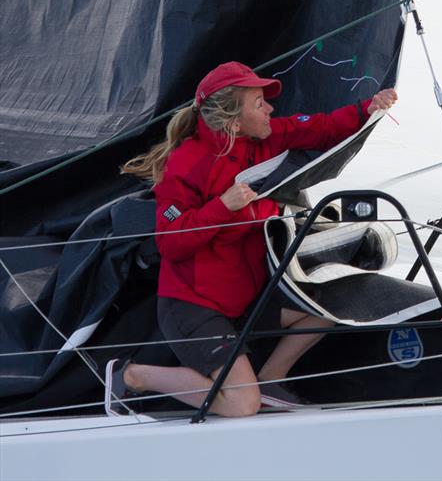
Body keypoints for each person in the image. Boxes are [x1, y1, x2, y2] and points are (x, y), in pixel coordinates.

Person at [109, 61, 397, 417]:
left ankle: (271, 378)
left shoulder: (266, 138)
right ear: (232, 119)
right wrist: (222, 206)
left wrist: (364, 110)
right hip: (193, 306)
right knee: (243, 404)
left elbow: (321, 128)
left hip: (244, 303)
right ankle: (132, 376)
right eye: (259, 103)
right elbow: (169, 243)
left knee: (334, 307)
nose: (270, 109)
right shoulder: (186, 164)